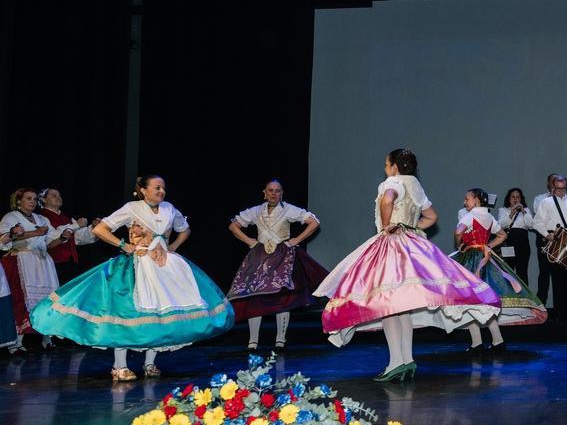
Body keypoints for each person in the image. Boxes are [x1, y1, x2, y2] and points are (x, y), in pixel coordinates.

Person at [314, 148, 500, 381]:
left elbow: (387, 199)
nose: (385, 169)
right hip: (411, 245)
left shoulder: (392, 182)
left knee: (389, 305)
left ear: (394, 167)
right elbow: (432, 216)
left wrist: (386, 226)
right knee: (402, 307)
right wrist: (413, 228)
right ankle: (406, 360)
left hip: (392, 245)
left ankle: (395, 362)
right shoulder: (415, 185)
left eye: (386, 164)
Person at [30, 175, 234, 380]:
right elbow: (101, 229)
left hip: (164, 267)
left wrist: (172, 247)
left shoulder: (169, 209)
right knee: (127, 312)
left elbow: (185, 229)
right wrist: (123, 245)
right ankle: (119, 367)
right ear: (144, 190)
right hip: (138, 264)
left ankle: (150, 364)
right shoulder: (132, 207)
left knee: (159, 313)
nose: (161, 191)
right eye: (157, 187)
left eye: (163, 188)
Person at [227, 180, 328, 350]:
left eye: (277, 191)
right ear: (264, 193)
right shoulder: (256, 211)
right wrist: (249, 241)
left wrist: (296, 240)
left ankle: (280, 339)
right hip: (259, 256)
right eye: (270, 191)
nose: (274, 194)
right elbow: (233, 225)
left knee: (282, 296)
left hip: (282, 255)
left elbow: (314, 222)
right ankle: (253, 340)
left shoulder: (288, 209)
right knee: (255, 294)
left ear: (282, 193)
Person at [455, 189, 547, 352]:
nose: (464, 202)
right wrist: (487, 246)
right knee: (484, 302)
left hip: (472, 260)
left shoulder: (470, 215)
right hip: (485, 258)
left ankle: (477, 343)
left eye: (467, 199)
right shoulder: (488, 216)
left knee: (470, 301)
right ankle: (497, 340)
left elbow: (458, 231)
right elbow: (502, 235)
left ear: (476, 200)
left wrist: (460, 244)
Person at [1, 188, 63, 353]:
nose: (32, 202)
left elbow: (49, 243)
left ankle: (46, 337)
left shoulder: (41, 218)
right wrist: (34, 232)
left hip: (42, 263)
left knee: (47, 299)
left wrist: (62, 238)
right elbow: (5, 239)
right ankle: (17, 341)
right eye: (28, 198)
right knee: (21, 299)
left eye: (35, 199)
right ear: (18, 201)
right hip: (21, 260)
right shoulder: (11, 217)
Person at [533, 175, 567, 320]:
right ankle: (560, 312)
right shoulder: (545, 202)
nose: (561, 192)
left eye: (564, 189)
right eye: (558, 189)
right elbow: (537, 222)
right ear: (552, 187)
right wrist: (547, 234)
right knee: (557, 278)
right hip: (555, 238)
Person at [36, 187, 98, 288]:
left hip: (70, 263)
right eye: (54, 195)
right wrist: (76, 225)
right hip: (51, 264)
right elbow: (51, 237)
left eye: (59, 195)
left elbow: (80, 237)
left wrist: (95, 228)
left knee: (69, 296)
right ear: (43, 199)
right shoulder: (40, 217)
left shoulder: (66, 218)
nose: (58, 197)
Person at [497, 188, 535, 284]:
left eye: (518, 197)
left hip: (523, 244)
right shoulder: (503, 210)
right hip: (509, 242)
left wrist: (523, 211)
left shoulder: (526, 210)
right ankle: (508, 297)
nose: (515, 199)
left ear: (521, 199)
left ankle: (525, 298)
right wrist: (511, 214)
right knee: (508, 272)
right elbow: (500, 225)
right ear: (508, 199)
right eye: (513, 197)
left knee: (522, 272)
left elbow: (530, 225)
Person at [532, 174, 558, 304]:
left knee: (560, 274)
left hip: (560, 238)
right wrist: (552, 197)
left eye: (557, 181)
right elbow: (539, 215)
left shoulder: (566, 199)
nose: (554, 183)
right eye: (552, 181)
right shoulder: (540, 199)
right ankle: (541, 305)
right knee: (544, 272)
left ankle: (561, 307)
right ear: (548, 183)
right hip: (544, 237)